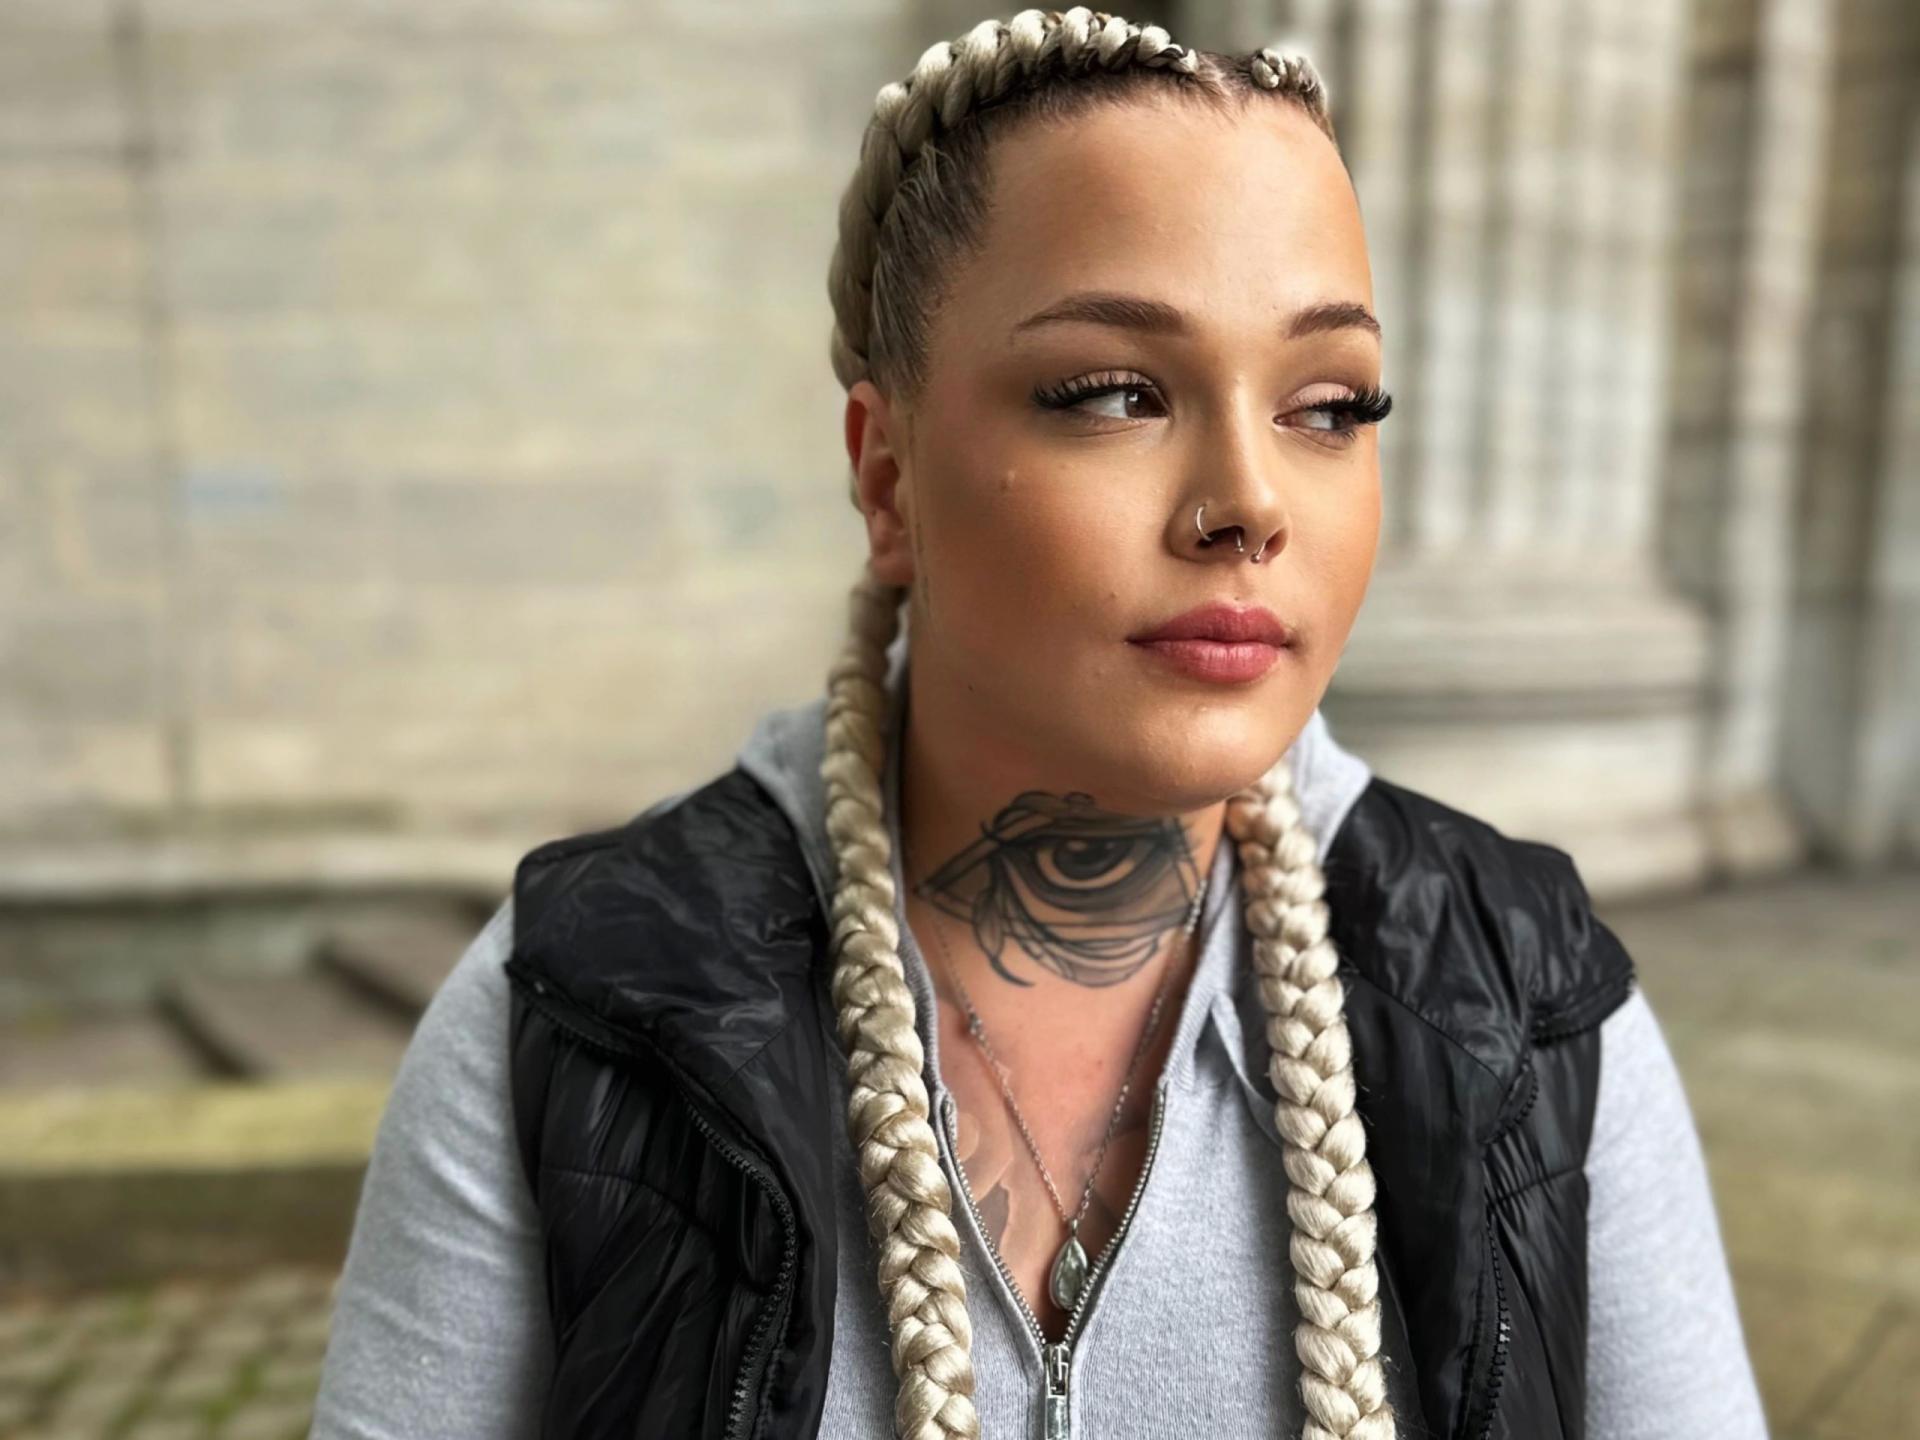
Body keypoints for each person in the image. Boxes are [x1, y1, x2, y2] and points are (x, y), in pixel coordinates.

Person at [310, 9, 1768, 1439]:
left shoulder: (1533, 1006)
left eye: (1331, 406)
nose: (1251, 504)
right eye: (1113, 393)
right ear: (888, 480)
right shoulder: (578, 1004)